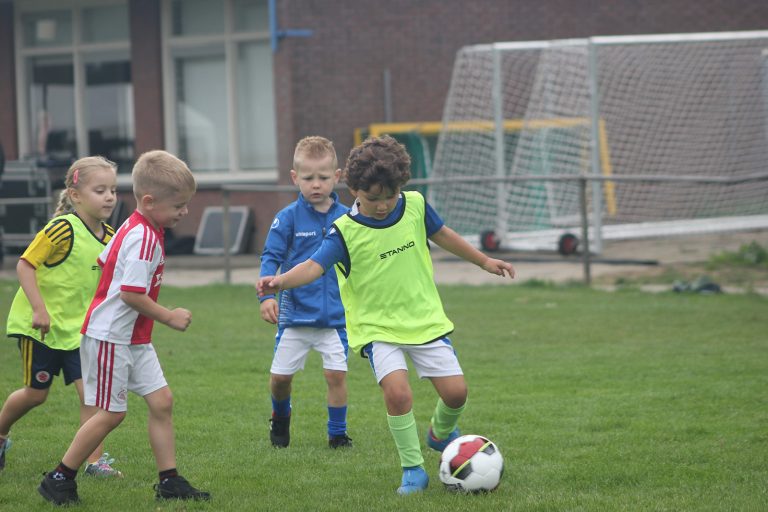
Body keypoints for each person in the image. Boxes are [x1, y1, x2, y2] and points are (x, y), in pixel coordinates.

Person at [258, 135, 515, 494]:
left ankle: (440, 434)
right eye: (372, 198)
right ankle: (412, 470)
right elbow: (314, 266)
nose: (382, 205)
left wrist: (484, 260)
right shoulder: (344, 232)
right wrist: (280, 282)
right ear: (355, 190)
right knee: (398, 395)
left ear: (401, 187)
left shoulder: (415, 206)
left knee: (457, 393)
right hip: (377, 329)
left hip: (424, 320)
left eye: (389, 196)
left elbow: (443, 235)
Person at [38, 150, 210, 506]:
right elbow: (131, 294)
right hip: (110, 337)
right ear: (149, 201)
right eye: (178, 205)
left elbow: (106, 262)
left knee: (162, 401)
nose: (184, 211)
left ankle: (169, 481)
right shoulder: (143, 237)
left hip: (133, 337)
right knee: (112, 413)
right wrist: (169, 315)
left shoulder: (137, 225)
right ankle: (60, 476)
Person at [1, 156, 122, 477]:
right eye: (100, 190)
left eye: (113, 189)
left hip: (79, 333)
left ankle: (94, 462)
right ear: (76, 194)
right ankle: (0, 434)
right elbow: (25, 265)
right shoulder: (61, 229)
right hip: (40, 329)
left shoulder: (111, 237)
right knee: (35, 395)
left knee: (92, 397)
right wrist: (39, 309)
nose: (109, 196)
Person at [259, 136, 352, 449]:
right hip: (295, 317)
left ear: (337, 177)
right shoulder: (287, 218)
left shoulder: (349, 219)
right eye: (308, 178)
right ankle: (280, 417)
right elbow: (270, 258)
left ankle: (337, 434)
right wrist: (267, 296)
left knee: (336, 376)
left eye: (324, 178)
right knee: (281, 380)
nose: (316, 185)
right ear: (295, 178)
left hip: (337, 319)